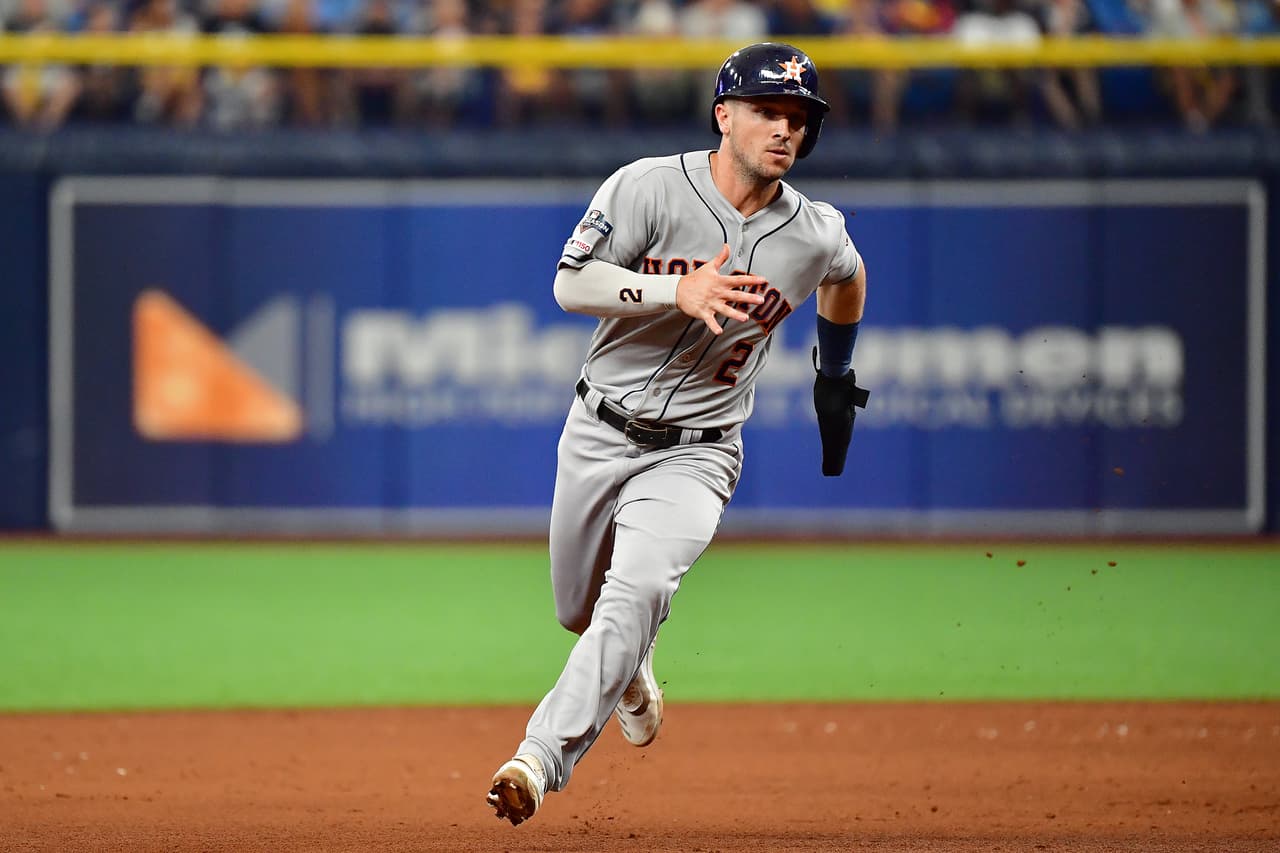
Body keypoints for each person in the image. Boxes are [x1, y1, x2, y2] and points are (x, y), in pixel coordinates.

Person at [485, 42, 870, 827]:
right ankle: (630, 664)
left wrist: (834, 373)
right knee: (578, 608)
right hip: (598, 427)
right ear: (724, 115)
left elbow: (848, 276)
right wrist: (674, 290)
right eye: (767, 110)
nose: (784, 129)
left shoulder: (814, 231)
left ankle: (539, 757)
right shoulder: (648, 186)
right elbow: (570, 283)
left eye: (798, 118)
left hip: (700, 449)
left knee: (639, 587)